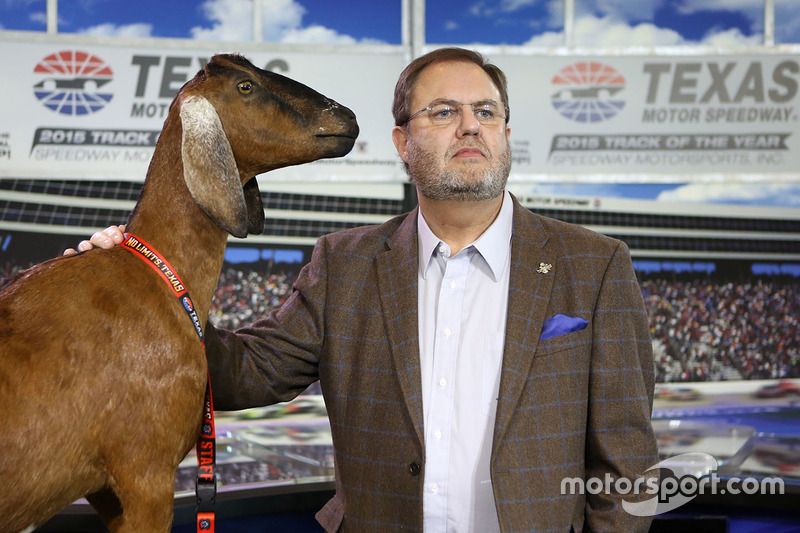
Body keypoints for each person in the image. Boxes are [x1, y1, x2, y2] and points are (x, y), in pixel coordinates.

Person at [72, 47, 657, 533]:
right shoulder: (344, 263)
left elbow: (627, 465)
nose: (470, 124)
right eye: (445, 111)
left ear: (505, 131)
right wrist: (138, 304)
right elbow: (247, 370)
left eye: (486, 111)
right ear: (404, 142)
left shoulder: (596, 266)